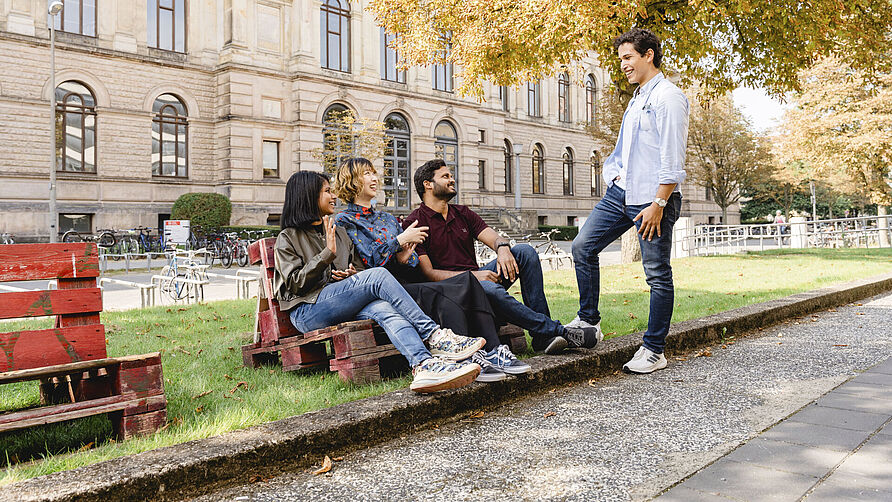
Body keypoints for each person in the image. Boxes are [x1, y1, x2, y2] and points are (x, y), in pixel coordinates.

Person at [272, 170, 485, 393]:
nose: (333, 196)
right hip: (307, 311)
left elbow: (363, 272)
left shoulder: (339, 232)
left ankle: (424, 365)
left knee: (384, 309)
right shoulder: (288, 237)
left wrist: (353, 276)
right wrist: (327, 254)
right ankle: (434, 335)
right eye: (327, 191)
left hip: (341, 301)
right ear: (307, 196)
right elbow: (294, 284)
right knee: (379, 275)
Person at [332, 157, 531, 382]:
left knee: (466, 281)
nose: (375, 178)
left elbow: (406, 261)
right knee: (452, 290)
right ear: (351, 181)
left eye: (374, 173)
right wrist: (398, 242)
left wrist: (406, 258)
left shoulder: (387, 219)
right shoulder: (344, 221)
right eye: (367, 174)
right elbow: (369, 264)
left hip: (406, 282)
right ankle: (468, 358)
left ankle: (492, 351)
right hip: (386, 293)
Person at [570, 28, 689, 374]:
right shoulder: (637, 98)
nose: (622, 64)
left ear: (648, 54)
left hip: (653, 200)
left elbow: (672, 160)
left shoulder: (668, 97)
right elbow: (627, 150)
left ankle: (654, 350)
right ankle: (589, 321)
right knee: (582, 247)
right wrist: (614, 175)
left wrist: (659, 203)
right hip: (621, 193)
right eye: (620, 58)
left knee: (656, 274)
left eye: (627, 57)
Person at [404, 158, 601, 355]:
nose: (452, 179)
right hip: (450, 291)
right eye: (445, 176)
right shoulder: (415, 222)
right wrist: (471, 277)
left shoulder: (462, 212)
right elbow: (429, 273)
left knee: (525, 252)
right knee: (488, 287)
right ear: (427, 184)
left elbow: (494, 238)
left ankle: (543, 338)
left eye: (451, 175)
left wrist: (503, 248)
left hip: (477, 278)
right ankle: (559, 331)